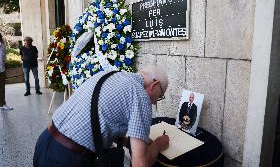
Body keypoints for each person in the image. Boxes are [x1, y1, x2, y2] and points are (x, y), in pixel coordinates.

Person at [33, 67, 170, 167]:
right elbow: (140, 164)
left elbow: (104, 120)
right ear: (155, 85)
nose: (153, 102)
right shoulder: (141, 96)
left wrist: (128, 142)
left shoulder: (109, 73)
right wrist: (158, 145)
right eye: (159, 97)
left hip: (45, 142)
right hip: (69, 158)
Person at [0, 33, 13, 110]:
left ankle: (2, 104)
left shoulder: (2, 46)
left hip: (1, 69)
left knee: (2, 87)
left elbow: (4, 57)